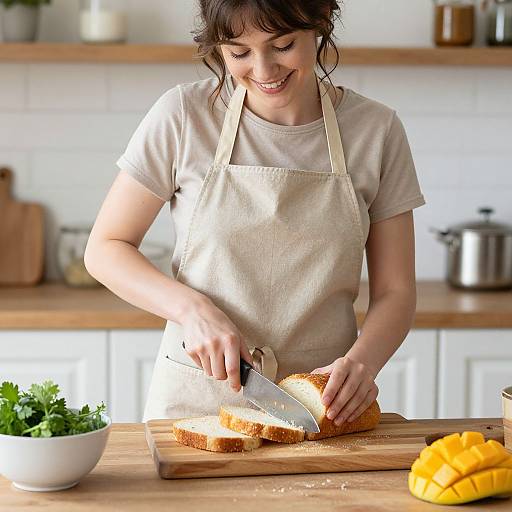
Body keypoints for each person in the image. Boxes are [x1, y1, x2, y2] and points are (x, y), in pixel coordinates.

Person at [84, 0, 425, 425]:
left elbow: (396, 290)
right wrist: (193, 310)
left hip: (320, 405)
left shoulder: (376, 131)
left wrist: (363, 364)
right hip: (195, 401)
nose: (263, 70)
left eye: (282, 45)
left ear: (318, 26)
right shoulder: (183, 116)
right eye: (238, 52)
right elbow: (104, 248)